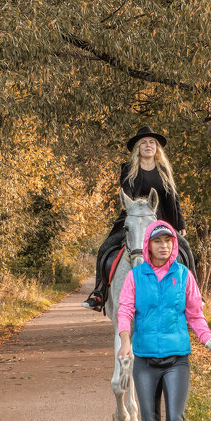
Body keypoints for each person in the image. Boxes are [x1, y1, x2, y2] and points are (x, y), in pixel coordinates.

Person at [117, 220, 211, 421]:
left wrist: (210, 341)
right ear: (148, 246)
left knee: (175, 420)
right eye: (158, 241)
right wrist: (125, 340)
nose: (164, 246)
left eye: (168, 241)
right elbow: (125, 309)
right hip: (144, 361)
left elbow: (195, 314)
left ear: (173, 244)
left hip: (177, 360)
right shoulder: (135, 276)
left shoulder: (184, 275)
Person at [83, 126, 196, 310]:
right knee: (105, 248)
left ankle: (194, 294)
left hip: (160, 221)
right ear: (138, 148)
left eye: (152, 142)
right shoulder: (128, 169)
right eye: (144, 142)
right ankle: (99, 293)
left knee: (185, 248)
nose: (148, 145)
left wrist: (180, 223)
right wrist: (134, 209)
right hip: (134, 218)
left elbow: (173, 198)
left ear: (157, 148)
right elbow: (126, 193)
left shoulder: (164, 171)